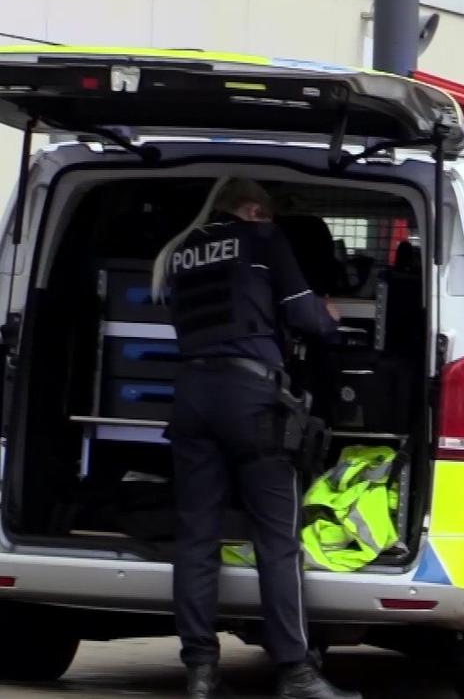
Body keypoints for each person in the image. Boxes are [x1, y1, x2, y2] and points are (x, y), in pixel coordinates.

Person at [151, 177, 355, 699]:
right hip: (251, 398)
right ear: (250, 209)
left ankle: (199, 671)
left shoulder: (180, 253)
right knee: (276, 540)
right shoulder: (262, 241)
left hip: (193, 394)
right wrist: (329, 320)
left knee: (197, 537)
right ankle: (297, 673)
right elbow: (306, 316)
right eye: (267, 213)